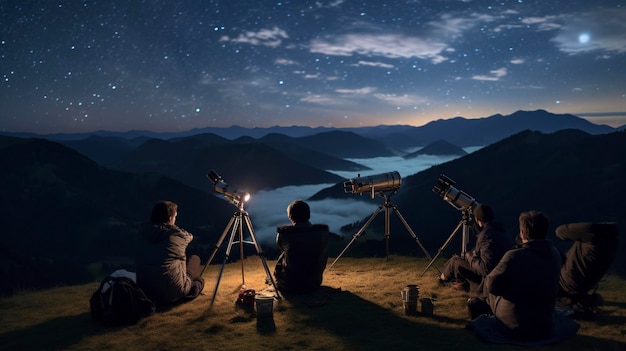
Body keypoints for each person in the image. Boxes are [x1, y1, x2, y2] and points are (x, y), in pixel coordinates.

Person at [468, 210, 562, 341]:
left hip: (514, 326)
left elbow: (491, 284)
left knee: (492, 288)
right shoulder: (555, 254)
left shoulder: (515, 255)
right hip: (544, 326)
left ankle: (479, 308)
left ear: (522, 232)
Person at [135, 200, 205, 305]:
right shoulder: (175, 235)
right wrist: (172, 227)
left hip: (145, 291)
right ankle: (191, 287)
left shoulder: (142, 233)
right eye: (175, 216)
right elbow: (189, 236)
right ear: (170, 218)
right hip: (171, 293)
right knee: (195, 260)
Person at [440, 204, 513, 294]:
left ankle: (442, 279)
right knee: (456, 259)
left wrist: (470, 257)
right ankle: (459, 282)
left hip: (488, 282)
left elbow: (485, 268)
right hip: (504, 277)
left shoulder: (485, 236)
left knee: (455, 261)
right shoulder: (503, 231)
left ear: (477, 219)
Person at [556, 222, 619, 315]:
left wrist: (589, 227)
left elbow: (560, 231)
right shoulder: (613, 241)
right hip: (579, 284)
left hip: (568, 283)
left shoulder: (591, 239)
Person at [273, 199, 329, 293]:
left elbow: (280, 247)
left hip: (290, 284)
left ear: (291, 216)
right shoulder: (322, 232)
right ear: (308, 214)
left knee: (284, 254)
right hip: (314, 282)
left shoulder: (284, 234)